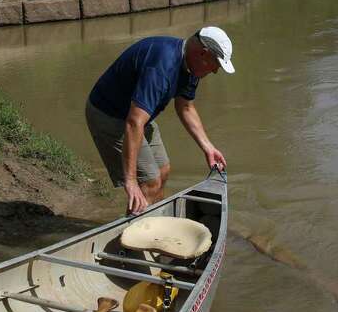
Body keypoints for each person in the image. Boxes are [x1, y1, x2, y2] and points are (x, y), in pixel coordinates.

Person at [85, 27, 233, 214]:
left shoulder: (191, 67)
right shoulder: (162, 67)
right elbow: (133, 123)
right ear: (203, 53)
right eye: (215, 65)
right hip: (109, 116)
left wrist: (208, 148)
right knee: (149, 182)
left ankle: (155, 224)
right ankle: (135, 238)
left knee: (163, 171)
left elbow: (185, 107)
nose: (215, 71)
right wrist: (130, 182)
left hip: (137, 116)